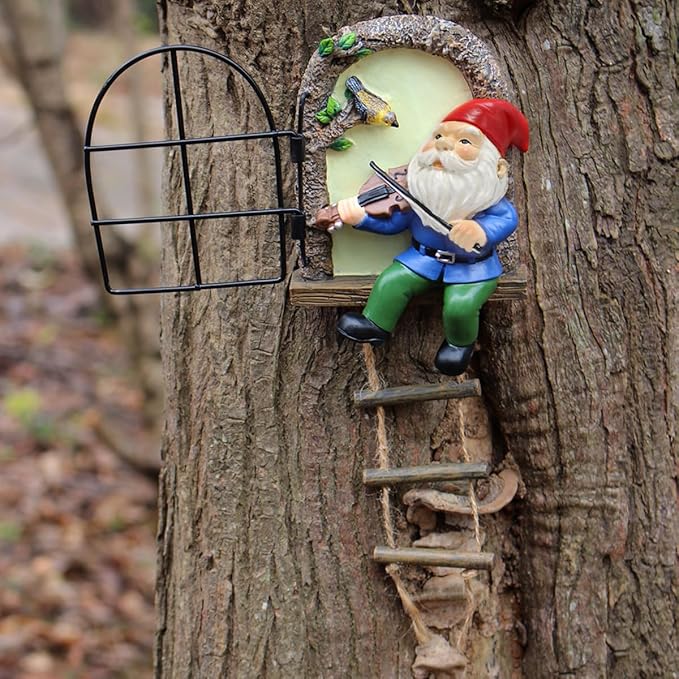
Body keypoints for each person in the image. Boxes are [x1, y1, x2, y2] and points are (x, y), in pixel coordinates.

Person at [323, 98, 529, 375]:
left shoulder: (487, 201)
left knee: (460, 306)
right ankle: (375, 324)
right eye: (438, 137)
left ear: (497, 168)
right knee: (391, 281)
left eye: (464, 142)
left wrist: (480, 231)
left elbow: (506, 220)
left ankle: (459, 345)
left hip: (472, 268)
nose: (443, 146)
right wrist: (361, 219)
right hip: (422, 259)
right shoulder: (419, 194)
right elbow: (393, 223)